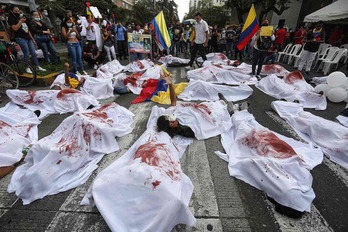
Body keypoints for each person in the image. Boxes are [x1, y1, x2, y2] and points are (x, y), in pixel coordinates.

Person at [156, 73, 248, 138]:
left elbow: (173, 102)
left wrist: (171, 85)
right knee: (218, 114)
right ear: (171, 126)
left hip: (200, 109)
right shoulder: (185, 129)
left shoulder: (174, 117)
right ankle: (234, 112)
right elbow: (201, 126)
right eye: (171, 121)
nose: (173, 118)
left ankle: (223, 103)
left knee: (211, 105)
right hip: (206, 117)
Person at [8, 5, 46, 73]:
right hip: (20, 38)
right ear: (12, 11)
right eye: (15, 11)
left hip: (28, 37)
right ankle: (27, 67)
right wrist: (20, 21)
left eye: (18, 10)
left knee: (33, 52)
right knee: (26, 52)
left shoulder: (22, 16)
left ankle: (37, 66)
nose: (17, 12)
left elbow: (27, 29)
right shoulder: (11, 18)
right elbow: (15, 28)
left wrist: (32, 39)